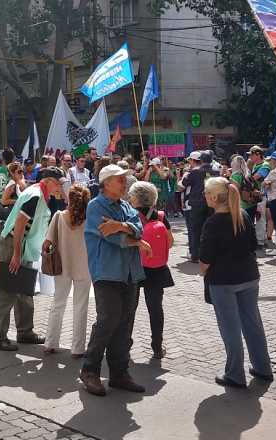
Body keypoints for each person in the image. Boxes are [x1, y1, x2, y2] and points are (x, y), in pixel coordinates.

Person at [79, 164, 148, 397]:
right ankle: (90, 370)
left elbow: (138, 229)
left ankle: (119, 373)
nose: (124, 183)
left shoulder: (126, 206)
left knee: (125, 323)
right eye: (120, 179)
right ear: (106, 182)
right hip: (107, 272)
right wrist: (132, 236)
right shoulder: (95, 206)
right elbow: (114, 239)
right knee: (108, 320)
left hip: (129, 272)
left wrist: (121, 226)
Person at [199, 176, 272, 389]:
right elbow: (252, 245)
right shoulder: (242, 215)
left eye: (206, 193)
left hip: (224, 280)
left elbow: (205, 259)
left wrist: (203, 272)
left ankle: (234, 373)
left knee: (230, 328)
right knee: (253, 324)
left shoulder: (213, 222)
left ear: (213, 197)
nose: (204, 196)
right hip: (248, 275)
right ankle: (263, 367)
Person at [0, 166, 64, 351]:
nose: (60, 188)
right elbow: (20, 225)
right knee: (9, 292)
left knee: (25, 290)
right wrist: (16, 254)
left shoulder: (39, 193)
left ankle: (25, 332)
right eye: (58, 184)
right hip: (15, 245)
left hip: (23, 246)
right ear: (48, 181)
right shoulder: (36, 195)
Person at [43, 185, 92, 358]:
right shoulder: (90, 218)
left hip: (62, 266)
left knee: (58, 303)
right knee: (81, 307)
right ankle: (78, 348)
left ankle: (50, 342)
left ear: (69, 199)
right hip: (85, 267)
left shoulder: (58, 216)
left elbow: (47, 243)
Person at [128, 181, 174, 359]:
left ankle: (126, 344)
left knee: (130, 308)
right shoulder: (160, 216)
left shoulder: (130, 216)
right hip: (156, 268)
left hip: (134, 267)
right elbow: (170, 242)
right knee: (155, 308)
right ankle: (157, 346)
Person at [179, 151, 210, 263]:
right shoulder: (215, 170)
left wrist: (184, 176)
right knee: (207, 229)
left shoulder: (194, 172)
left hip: (196, 204)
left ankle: (195, 255)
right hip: (210, 204)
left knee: (195, 230)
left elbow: (182, 185)